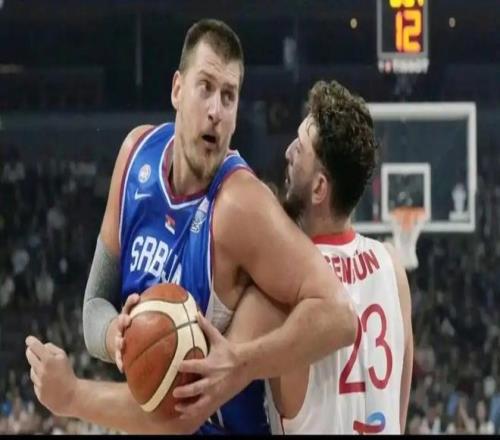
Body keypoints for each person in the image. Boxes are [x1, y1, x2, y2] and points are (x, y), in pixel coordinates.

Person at [25, 18, 356, 435]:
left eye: (229, 96)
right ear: (177, 90)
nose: (216, 110)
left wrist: (241, 362)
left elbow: (340, 316)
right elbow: (94, 303)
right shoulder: (135, 157)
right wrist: (115, 337)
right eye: (206, 88)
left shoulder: (242, 205)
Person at [233, 80, 412, 434]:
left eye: (299, 148)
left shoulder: (286, 285)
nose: (288, 152)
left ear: (319, 188)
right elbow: (398, 412)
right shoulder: (393, 268)